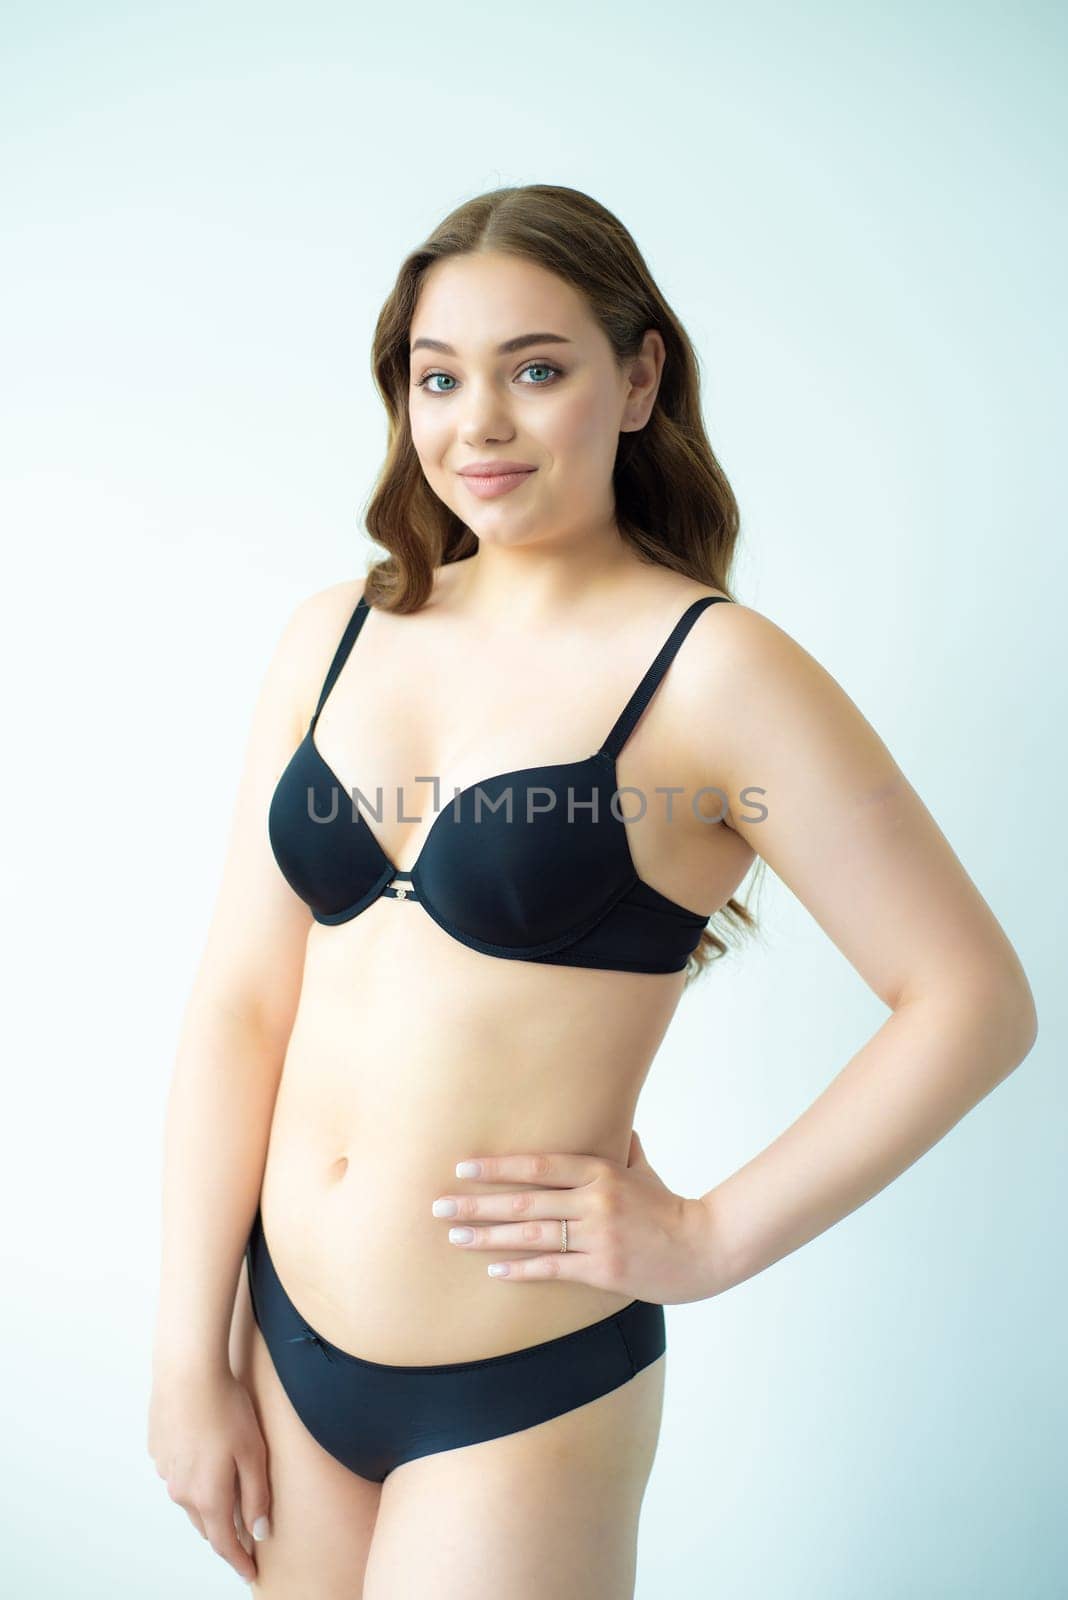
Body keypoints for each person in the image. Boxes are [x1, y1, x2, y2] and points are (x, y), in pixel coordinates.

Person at [147, 184, 1038, 1597]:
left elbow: (974, 1002)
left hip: (518, 1392)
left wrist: (709, 1235)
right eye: (439, 377)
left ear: (638, 379)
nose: (478, 424)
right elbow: (242, 1009)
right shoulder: (333, 636)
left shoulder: (719, 675)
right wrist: (186, 1354)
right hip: (286, 1345)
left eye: (537, 370)